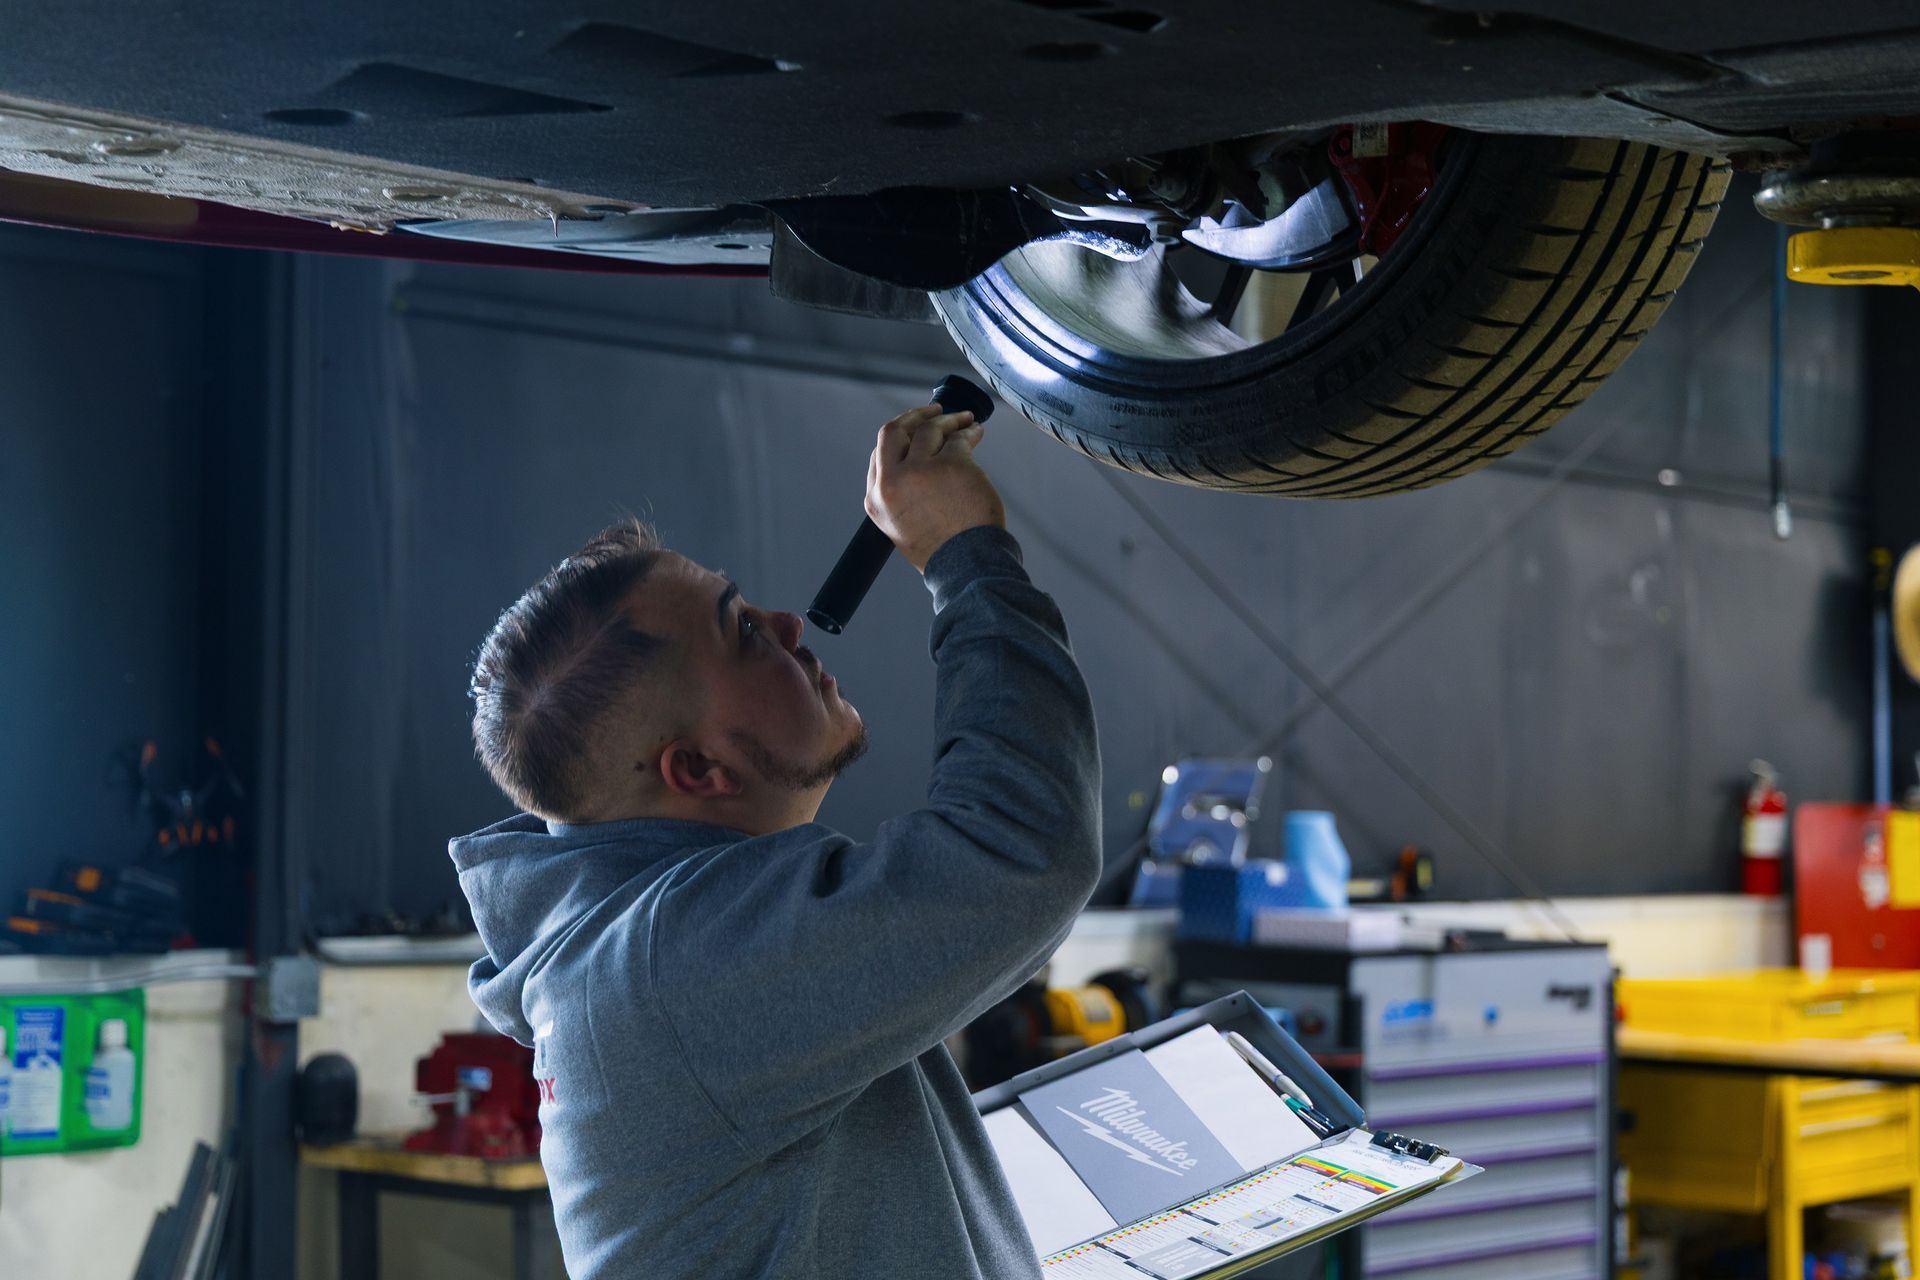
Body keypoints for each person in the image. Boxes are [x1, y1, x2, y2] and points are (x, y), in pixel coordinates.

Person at [450, 402, 1104, 1279]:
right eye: (744, 631)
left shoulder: (639, 954)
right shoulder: (672, 967)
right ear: (697, 769)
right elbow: (1020, 851)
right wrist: (967, 558)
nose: (790, 625)